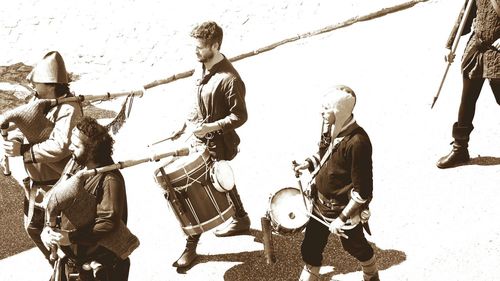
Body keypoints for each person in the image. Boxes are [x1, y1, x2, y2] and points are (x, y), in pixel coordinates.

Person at [172, 21, 251, 269]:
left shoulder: (230, 79)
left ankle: (191, 245)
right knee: (221, 180)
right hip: (199, 138)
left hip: (216, 143)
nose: (195, 52)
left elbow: (240, 116)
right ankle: (241, 217)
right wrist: (184, 124)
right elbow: (197, 101)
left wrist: (210, 127)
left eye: (199, 47)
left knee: (194, 192)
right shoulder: (201, 66)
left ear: (215, 46)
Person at [1, 51, 83, 263]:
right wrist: (17, 140)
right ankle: (58, 267)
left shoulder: (69, 108)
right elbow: (23, 122)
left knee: (60, 236)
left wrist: (25, 152)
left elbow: (60, 146)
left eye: (37, 82)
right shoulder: (37, 100)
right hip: (37, 184)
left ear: (51, 84)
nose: (33, 86)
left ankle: (75, 270)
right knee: (34, 228)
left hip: (58, 185)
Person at [293, 85, 379, 281]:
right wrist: (307, 163)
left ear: (338, 111)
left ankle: (371, 273)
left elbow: (363, 190)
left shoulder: (358, 143)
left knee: (355, 247)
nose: (321, 112)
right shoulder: (330, 128)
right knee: (310, 247)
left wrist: (342, 217)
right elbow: (325, 154)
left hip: (342, 208)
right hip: (319, 204)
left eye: (326, 108)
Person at [41, 116, 134, 281]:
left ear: (92, 150)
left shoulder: (110, 180)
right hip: (72, 260)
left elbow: (107, 222)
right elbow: (57, 195)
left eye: (76, 146)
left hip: (99, 265)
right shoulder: (76, 164)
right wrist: (48, 228)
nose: (70, 148)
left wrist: (70, 237)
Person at [436, 0, 500, 169]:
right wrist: (449, 46)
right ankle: (460, 149)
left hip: (497, 53)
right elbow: (464, 17)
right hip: (476, 50)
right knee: (467, 99)